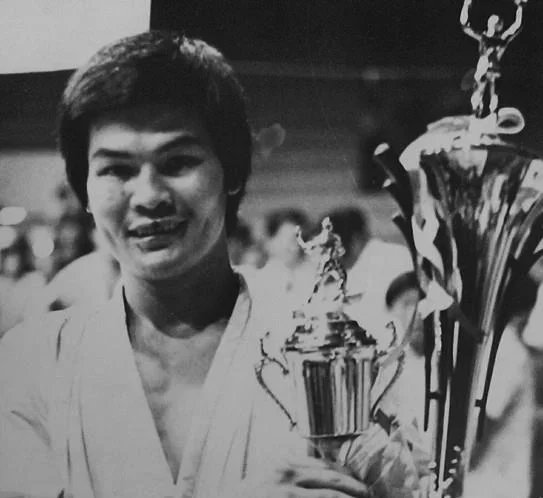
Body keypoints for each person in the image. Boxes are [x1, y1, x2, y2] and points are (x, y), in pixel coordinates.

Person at [0, 31, 369, 498]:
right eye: (116, 169)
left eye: (177, 162)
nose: (149, 196)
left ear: (232, 170)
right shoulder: (34, 363)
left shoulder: (324, 350)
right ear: (85, 191)